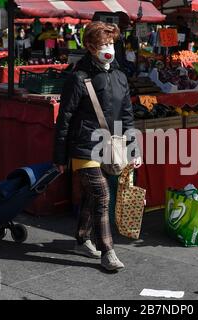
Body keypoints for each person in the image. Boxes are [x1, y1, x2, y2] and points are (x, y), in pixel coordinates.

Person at [53, 21, 140, 271]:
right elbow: (65, 118)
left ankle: (81, 238)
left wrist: (133, 149)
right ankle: (107, 251)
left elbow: (127, 116)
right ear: (90, 46)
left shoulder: (121, 76)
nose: (109, 48)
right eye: (103, 44)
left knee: (93, 196)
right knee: (102, 193)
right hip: (83, 146)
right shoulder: (78, 77)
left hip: (109, 145)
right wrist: (59, 157)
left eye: (111, 43)